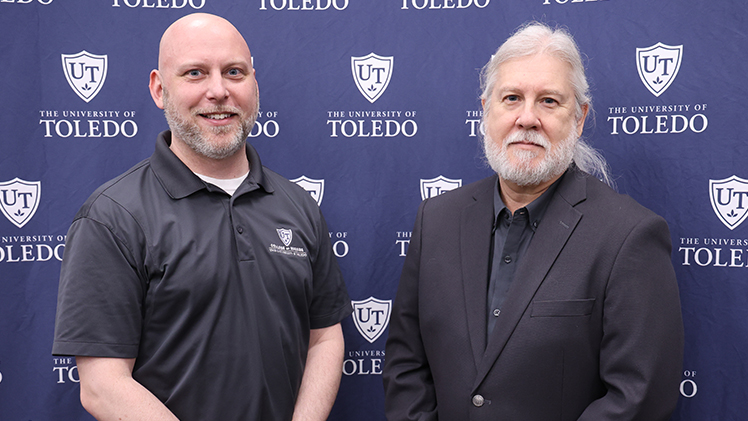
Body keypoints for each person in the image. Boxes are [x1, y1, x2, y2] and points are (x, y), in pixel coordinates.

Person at [53, 13, 351, 421]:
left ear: (254, 85)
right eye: (195, 73)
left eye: (234, 72)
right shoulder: (112, 216)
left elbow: (324, 337)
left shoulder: (297, 205)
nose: (218, 91)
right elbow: (103, 385)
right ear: (160, 89)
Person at [383, 22, 684, 421]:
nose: (527, 118)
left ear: (578, 119)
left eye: (548, 101)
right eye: (511, 98)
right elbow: (406, 364)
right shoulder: (435, 221)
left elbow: (638, 396)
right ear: (485, 110)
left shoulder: (629, 236)